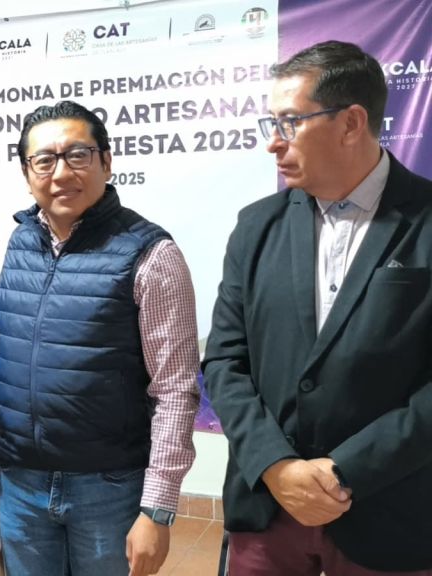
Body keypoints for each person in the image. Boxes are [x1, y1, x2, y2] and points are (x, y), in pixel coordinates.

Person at [203, 40, 432, 574]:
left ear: (351, 123)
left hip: (390, 509)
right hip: (267, 505)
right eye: (272, 123)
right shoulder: (256, 226)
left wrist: (347, 471)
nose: (273, 142)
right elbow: (225, 361)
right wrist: (276, 465)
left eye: (290, 122)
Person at [0, 100, 200, 576]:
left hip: (108, 486)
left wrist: (157, 509)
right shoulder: (22, 241)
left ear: (106, 161)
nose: (61, 173)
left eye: (77, 155)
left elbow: (175, 390)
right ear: (27, 173)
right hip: (21, 481)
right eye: (45, 160)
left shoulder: (151, 254)